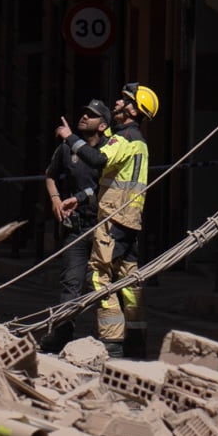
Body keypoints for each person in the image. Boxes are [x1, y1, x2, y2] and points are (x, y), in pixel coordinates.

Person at [90, 84, 156, 347]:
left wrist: (72, 140)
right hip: (130, 220)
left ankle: (112, 342)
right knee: (129, 280)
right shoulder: (138, 142)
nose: (117, 102)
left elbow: (98, 159)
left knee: (100, 275)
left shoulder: (125, 139)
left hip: (113, 217)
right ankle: (137, 340)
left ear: (133, 109)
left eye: (124, 100)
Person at [46, 99, 108, 317]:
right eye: (84, 113)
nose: (84, 117)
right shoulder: (67, 148)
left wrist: (79, 198)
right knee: (71, 283)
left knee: (101, 287)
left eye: (91, 115)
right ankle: (61, 334)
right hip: (77, 228)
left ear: (102, 126)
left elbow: (103, 188)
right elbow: (50, 175)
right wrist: (55, 199)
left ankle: (110, 341)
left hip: (103, 227)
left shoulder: (108, 150)